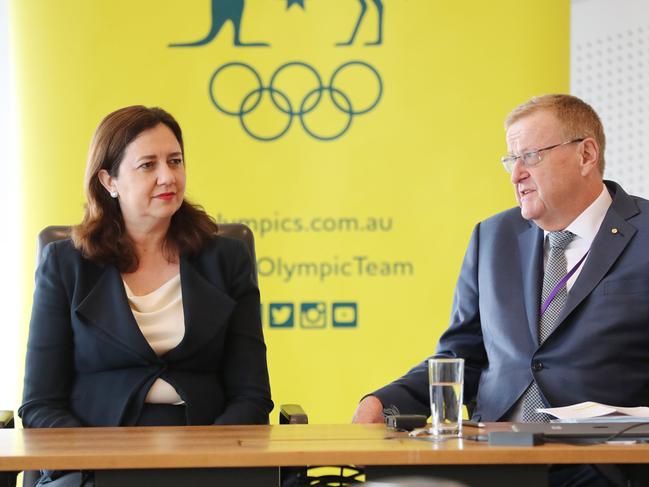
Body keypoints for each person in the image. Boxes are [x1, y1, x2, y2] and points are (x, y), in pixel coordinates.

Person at [353, 94, 649, 486]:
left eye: (531, 156)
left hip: (606, 464)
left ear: (586, 155)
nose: (516, 176)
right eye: (512, 161)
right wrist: (384, 401)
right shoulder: (493, 237)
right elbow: (462, 355)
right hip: (493, 456)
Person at [19, 106, 273, 485]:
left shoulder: (226, 259)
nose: (167, 176)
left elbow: (251, 395)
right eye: (148, 165)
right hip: (95, 455)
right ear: (109, 181)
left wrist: (211, 456)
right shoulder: (66, 264)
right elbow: (41, 403)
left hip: (207, 452)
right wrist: (93, 458)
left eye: (175, 161)